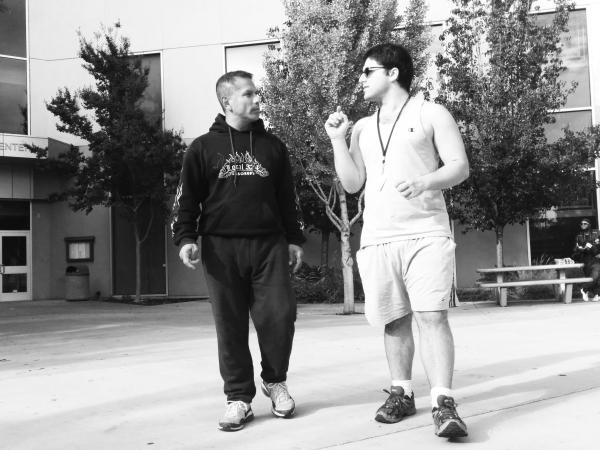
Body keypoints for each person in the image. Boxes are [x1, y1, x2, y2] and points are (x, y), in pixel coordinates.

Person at [324, 43, 470, 438]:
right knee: (394, 320)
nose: (361, 79)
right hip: (378, 236)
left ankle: (443, 403)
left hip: (426, 232)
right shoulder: (361, 127)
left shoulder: (431, 113)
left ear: (392, 73)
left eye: (367, 71)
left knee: (432, 316)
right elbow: (353, 184)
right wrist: (338, 139)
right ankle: (402, 393)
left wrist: (425, 180)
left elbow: (459, 166)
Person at [171, 70, 305, 432]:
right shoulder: (202, 147)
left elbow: (287, 199)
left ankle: (275, 381)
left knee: (280, 316)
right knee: (229, 326)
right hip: (220, 248)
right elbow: (186, 200)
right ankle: (239, 398)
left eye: (256, 92)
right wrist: (185, 238)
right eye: (249, 94)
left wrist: (294, 239)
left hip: (269, 245)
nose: (257, 98)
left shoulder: (273, 147)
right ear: (228, 101)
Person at [572, 218, 600, 302]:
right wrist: (582, 249)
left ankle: (584, 289)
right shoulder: (579, 236)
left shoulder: (596, 233)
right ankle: (596, 294)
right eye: (581, 224)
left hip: (596, 259)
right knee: (594, 277)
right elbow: (575, 251)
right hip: (586, 260)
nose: (583, 225)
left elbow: (596, 248)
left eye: (585, 223)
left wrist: (592, 247)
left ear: (589, 224)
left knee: (595, 276)